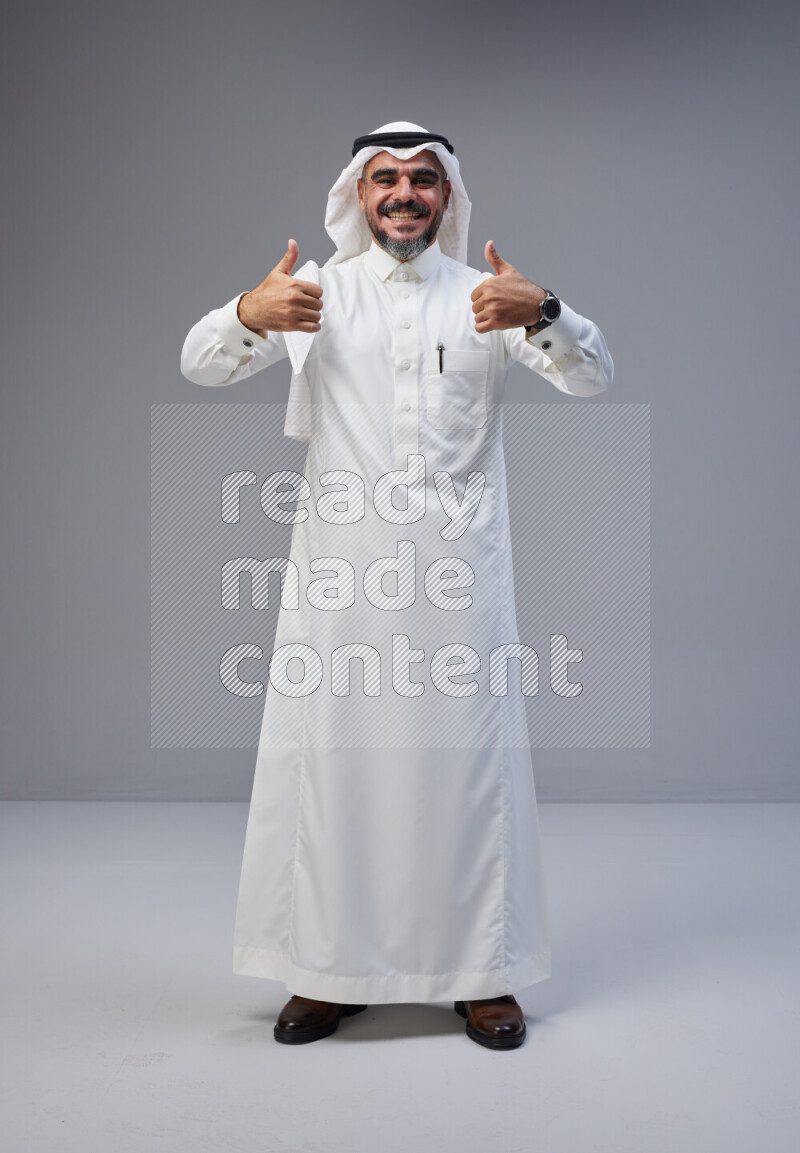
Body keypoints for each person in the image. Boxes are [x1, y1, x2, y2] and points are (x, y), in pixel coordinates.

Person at [181, 122, 613, 1050]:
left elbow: (592, 377)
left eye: (423, 179)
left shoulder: (489, 299)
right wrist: (247, 314)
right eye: (386, 180)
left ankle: (483, 975)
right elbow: (199, 364)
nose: (405, 194)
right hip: (341, 582)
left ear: (448, 197)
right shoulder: (316, 295)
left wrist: (548, 310)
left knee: (466, 775)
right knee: (338, 771)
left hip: (461, 584)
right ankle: (328, 973)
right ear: (357, 194)